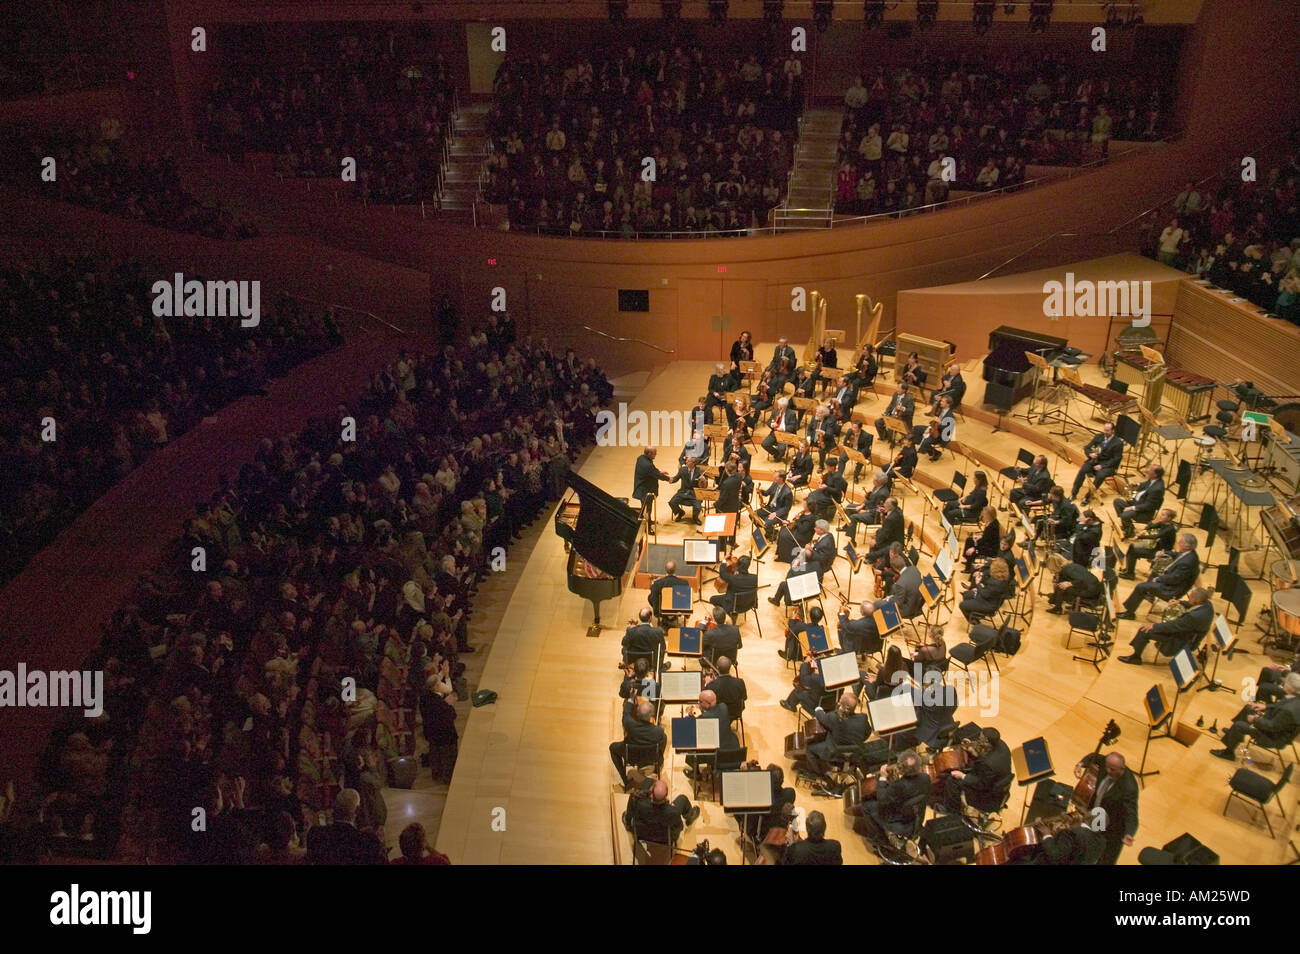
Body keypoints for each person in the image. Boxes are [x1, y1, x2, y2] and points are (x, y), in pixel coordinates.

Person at [1210, 672, 1300, 760]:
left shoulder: (1288, 710)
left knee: (1239, 726)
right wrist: (1265, 706)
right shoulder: (1295, 698)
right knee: (1248, 708)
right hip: (1275, 725)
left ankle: (1228, 753)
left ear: (1289, 687)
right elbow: (1280, 706)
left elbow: (1272, 726)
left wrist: (1255, 720)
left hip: (1272, 737)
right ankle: (1232, 734)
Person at [857, 748, 932, 850]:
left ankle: (879, 840)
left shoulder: (899, 785)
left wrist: (882, 778)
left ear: (901, 768)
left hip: (899, 823)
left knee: (867, 805)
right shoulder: (926, 778)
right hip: (916, 820)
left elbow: (882, 799)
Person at [1118, 586, 1214, 663]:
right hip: (1187, 633)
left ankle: (1135, 658)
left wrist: (1153, 626)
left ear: (1197, 600)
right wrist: (1180, 602)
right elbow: (1192, 604)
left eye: (1190, 597)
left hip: (1182, 640)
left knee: (1144, 630)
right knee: (1160, 624)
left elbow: (1174, 626)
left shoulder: (1194, 616)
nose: (1189, 599)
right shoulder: (1207, 604)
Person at [1115, 532, 1198, 619]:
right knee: (1154, 573)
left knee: (1141, 587)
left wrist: (1159, 579)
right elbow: (1177, 555)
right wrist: (1163, 552)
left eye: (1181, 542)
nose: (1178, 543)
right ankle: (1149, 593)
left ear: (1187, 546)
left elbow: (1174, 579)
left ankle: (1129, 613)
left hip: (1172, 590)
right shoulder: (1190, 553)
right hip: (1173, 583)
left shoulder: (1188, 562)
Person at [1075, 752, 1138, 864]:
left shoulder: (1129, 787)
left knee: (1106, 859)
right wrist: (1081, 763)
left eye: (1113, 769)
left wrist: (1129, 833)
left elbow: (1131, 813)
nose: (1108, 771)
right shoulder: (1106, 764)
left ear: (1122, 768)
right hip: (1095, 814)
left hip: (1112, 827)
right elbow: (1095, 756)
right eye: (1107, 767)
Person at [306, 789, 389, 865]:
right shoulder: (368, 841)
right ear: (357, 810)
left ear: (334, 808)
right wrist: (381, 845)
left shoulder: (315, 834)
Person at [942, 727, 1012, 814]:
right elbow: (986, 755)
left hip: (985, 796)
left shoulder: (988, 764)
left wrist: (963, 776)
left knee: (952, 781)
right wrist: (972, 748)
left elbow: (981, 783)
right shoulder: (1002, 745)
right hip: (998, 786)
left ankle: (952, 812)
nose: (978, 739)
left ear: (986, 740)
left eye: (980, 738)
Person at [806, 690, 869, 778]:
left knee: (809, 749)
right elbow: (867, 733)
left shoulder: (834, 717)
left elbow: (822, 718)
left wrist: (818, 710)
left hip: (834, 753)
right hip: (854, 754)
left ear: (840, 703)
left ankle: (817, 775)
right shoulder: (863, 718)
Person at [623, 778, 701, 845]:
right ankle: (689, 817)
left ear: (651, 794)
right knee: (682, 799)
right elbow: (679, 827)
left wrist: (629, 821)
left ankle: (628, 824)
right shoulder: (673, 812)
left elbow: (631, 811)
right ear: (666, 795)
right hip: (664, 840)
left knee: (648, 781)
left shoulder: (638, 803)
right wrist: (672, 807)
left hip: (642, 834)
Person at [609, 699, 666, 787]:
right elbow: (662, 746)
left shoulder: (629, 725)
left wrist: (631, 699)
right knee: (664, 739)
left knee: (612, 747)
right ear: (651, 715)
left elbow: (626, 713)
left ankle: (625, 780)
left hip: (632, 757)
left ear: (637, 714)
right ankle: (655, 770)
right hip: (651, 758)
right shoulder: (658, 732)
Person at [1071, 422, 1124, 502]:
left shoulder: (1118, 443)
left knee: (1100, 475)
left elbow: (1116, 459)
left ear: (1113, 431)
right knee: (1083, 470)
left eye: (1107, 431)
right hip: (1095, 461)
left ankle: (1088, 497)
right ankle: (1073, 494)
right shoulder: (1099, 437)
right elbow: (1087, 448)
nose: (1105, 432)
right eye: (1104, 430)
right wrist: (1090, 454)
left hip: (1108, 465)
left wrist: (1102, 466)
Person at [1119, 508, 1177, 579]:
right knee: (1132, 546)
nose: (1160, 516)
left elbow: (1156, 536)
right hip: (1155, 546)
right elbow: (1151, 526)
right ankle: (1129, 569)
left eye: (1163, 515)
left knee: (1133, 551)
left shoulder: (1170, 529)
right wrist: (1145, 530)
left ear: (1169, 518)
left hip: (1161, 553)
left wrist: (1140, 537)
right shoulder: (1163, 523)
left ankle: (1130, 574)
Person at [1114, 464, 1165, 539]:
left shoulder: (1157, 489)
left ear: (1155, 474)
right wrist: (1137, 484)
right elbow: (1146, 484)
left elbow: (1148, 506)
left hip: (1143, 512)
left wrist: (1132, 508)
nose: (1148, 471)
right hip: (1137, 502)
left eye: (1150, 470)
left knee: (1125, 514)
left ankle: (1129, 532)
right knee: (1117, 501)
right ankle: (1127, 525)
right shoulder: (1153, 479)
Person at [959, 557, 1013, 623]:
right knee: (966, 594)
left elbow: (985, 594)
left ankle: (974, 621)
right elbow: (988, 585)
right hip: (989, 598)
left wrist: (978, 584)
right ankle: (974, 614)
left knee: (962, 605)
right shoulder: (1001, 577)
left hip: (988, 604)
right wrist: (981, 576)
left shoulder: (997, 583)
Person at [709, 553, 757, 622]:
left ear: (738, 565)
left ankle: (728, 613)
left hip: (734, 606)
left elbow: (722, 574)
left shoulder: (734, 579)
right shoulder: (755, 578)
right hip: (748, 605)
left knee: (712, 599)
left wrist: (724, 560)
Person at [864, 498, 904, 566]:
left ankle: (871, 559)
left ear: (890, 506)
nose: (884, 505)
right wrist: (885, 512)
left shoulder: (891, 519)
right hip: (896, 537)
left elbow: (885, 533)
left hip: (894, 542)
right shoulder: (897, 510)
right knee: (878, 533)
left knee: (874, 542)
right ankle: (872, 558)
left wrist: (876, 540)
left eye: (886, 503)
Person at [705, 656, 747, 721]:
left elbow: (705, 699)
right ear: (730, 667)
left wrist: (707, 684)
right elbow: (744, 698)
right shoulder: (740, 682)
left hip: (718, 714)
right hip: (735, 713)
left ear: (717, 667)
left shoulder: (711, 686)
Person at [962, 506, 1000, 572]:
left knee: (972, 549)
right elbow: (986, 537)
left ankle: (968, 568)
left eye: (984, 515)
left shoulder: (993, 526)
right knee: (969, 540)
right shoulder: (990, 521)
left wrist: (974, 548)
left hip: (990, 548)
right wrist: (980, 537)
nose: (983, 516)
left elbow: (986, 541)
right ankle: (969, 559)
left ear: (989, 515)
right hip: (987, 543)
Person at [667, 456, 704, 523]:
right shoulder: (682, 469)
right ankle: (680, 512)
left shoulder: (699, 471)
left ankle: (695, 518)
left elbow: (703, 485)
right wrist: (671, 480)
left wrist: (703, 480)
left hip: (694, 493)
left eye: (688, 461)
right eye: (686, 460)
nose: (686, 462)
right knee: (672, 502)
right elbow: (676, 478)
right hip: (683, 492)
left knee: (698, 507)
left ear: (693, 463)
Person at [632, 447, 671, 511]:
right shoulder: (647, 465)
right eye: (654, 454)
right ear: (649, 453)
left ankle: (648, 519)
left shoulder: (641, 458)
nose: (655, 455)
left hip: (642, 487)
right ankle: (648, 520)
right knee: (647, 507)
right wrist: (669, 479)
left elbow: (651, 471)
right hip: (645, 489)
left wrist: (659, 472)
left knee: (644, 506)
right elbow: (654, 473)